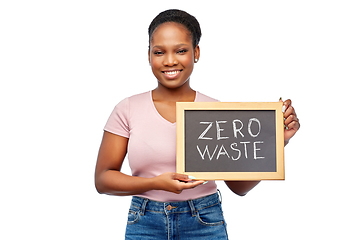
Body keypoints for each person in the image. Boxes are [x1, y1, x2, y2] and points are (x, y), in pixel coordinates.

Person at [95, 9, 300, 240]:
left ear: (196, 52)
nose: (170, 60)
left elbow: (239, 187)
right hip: (145, 221)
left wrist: (278, 141)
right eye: (159, 52)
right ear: (149, 55)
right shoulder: (128, 108)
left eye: (181, 50)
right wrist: (155, 183)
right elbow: (103, 180)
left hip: (204, 221)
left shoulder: (214, 111)